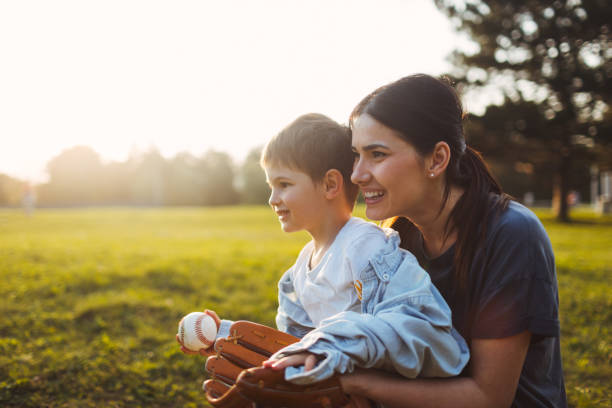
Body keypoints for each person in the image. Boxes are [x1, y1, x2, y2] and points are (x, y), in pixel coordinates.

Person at [177, 113, 469, 387]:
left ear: (330, 184)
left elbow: (420, 329)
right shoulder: (298, 272)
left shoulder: (365, 246)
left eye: (284, 184)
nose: (272, 199)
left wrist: (330, 345)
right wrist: (226, 336)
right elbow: (291, 345)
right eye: (271, 186)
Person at [333, 74, 566, 407]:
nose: (357, 174)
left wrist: (360, 385)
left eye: (377, 154)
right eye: (356, 154)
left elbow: (489, 397)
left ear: (437, 159)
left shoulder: (512, 234)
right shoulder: (394, 239)